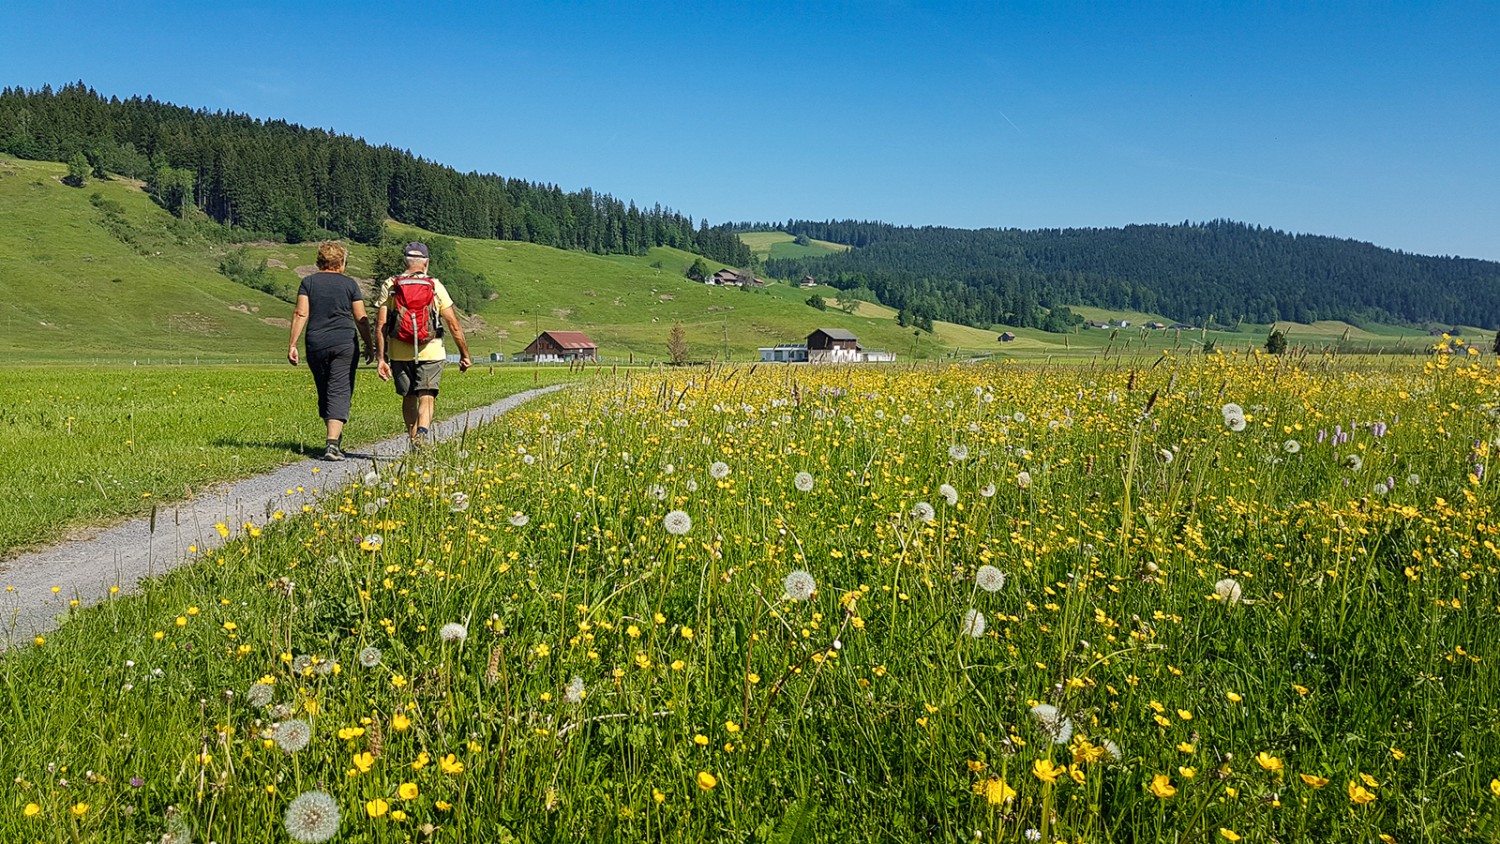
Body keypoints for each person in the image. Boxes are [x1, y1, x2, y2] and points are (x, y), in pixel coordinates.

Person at [374, 241, 472, 448]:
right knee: (426, 396)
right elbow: (453, 324)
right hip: (431, 350)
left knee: (408, 397)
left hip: (399, 352)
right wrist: (464, 354)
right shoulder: (435, 285)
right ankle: (422, 433)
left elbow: (381, 324)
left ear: (405, 261)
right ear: (426, 262)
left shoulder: (391, 285)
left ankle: (412, 440)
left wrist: (381, 358)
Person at [288, 240, 375, 461]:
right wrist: (370, 344)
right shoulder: (350, 285)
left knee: (325, 388)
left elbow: (300, 314)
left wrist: (292, 344)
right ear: (342, 262)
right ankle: (332, 445)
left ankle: (333, 439)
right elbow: (361, 318)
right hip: (344, 342)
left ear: (320, 262)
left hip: (316, 342)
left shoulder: (308, 283)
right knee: (340, 389)